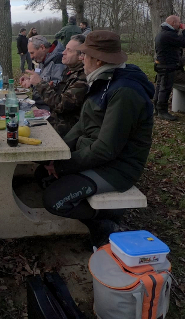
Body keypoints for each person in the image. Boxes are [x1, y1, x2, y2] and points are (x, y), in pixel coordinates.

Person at [39, 31, 155, 247]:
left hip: (117, 168)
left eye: (85, 55)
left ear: (99, 59)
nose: (82, 59)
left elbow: (106, 148)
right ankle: (98, 214)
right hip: (99, 159)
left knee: (53, 199)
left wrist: (65, 165)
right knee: (42, 174)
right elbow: (82, 124)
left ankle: (105, 220)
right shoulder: (103, 80)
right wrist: (58, 155)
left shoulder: (125, 92)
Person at [25, 34, 88, 137]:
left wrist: (40, 84)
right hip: (50, 115)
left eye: (69, 50)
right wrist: (31, 81)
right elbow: (39, 75)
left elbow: (61, 104)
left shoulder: (60, 63)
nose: (63, 52)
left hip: (63, 129)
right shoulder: (42, 61)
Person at [153, 15, 185, 121]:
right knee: (165, 88)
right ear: (173, 23)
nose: (179, 24)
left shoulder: (162, 33)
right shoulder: (169, 34)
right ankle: (162, 111)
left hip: (161, 65)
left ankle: (156, 109)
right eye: (178, 22)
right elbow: (184, 42)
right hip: (167, 66)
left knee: (159, 87)